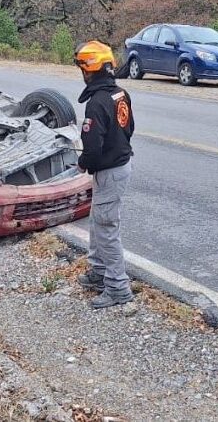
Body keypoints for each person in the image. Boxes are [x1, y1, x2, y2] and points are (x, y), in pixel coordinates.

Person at [73, 40, 135, 309]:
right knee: (98, 220)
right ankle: (98, 272)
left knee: (107, 228)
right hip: (118, 166)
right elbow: (129, 127)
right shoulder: (120, 94)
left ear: (90, 70)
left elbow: (92, 147)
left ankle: (118, 288)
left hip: (109, 171)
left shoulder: (96, 103)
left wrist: (83, 162)